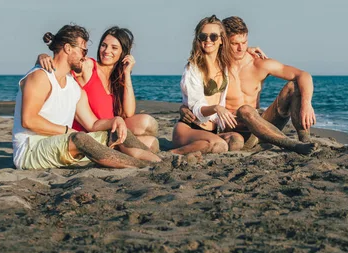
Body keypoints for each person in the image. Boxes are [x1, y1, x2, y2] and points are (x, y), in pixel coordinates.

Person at [13, 24, 162, 170]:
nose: (85, 55)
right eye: (83, 50)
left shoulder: (73, 87)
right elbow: (28, 120)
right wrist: (67, 131)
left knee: (113, 132)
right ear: (67, 48)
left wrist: (115, 120)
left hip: (61, 143)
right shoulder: (41, 76)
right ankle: (140, 165)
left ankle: (159, 162)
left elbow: (93, 124)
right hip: (31, 149)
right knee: (80, 138)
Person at [180, 16, 317, 155]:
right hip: (236, 133)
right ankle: (291, 144)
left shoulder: (258, 64)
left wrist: (306, 104)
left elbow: (303, 75)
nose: (241, 48)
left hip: (264, 127)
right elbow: (196, 93)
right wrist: (184, 108)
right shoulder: (218, 66)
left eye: (244, 42)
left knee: (294, 87)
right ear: (223, 41)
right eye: (235, 43)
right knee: (244, 110)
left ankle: (305, 140)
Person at [37, 27, 158, 151]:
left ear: (123, 53)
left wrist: (126, 74)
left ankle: (121, 146)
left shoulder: (117, 79)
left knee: (149, 128)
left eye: (114, 48)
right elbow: (62, 64)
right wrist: (42, 57)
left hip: (111, 129)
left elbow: (128, 113)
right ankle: (120, 148)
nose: (107, 51)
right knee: (148, 144)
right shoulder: (89, 65)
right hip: (88, 132)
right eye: (104, 45)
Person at [170, 15, 245, 155]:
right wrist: (217, 108)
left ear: (222, 40)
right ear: (198, 39)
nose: (208, 40)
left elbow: (239, 50)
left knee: (237, 141)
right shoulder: (193, 68)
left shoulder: (224, 66)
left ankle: (203, 145)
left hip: (212, 130)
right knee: (220, 145)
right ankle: (174, 153)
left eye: (213, 37)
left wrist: (253, 49)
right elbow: (196, 108)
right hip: (189, 128)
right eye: (203, 36)